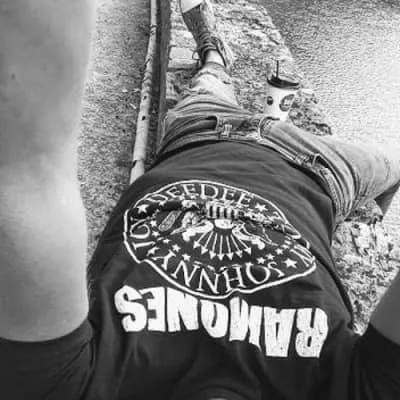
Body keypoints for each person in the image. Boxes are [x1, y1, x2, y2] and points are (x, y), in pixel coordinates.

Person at [1, 0, 400, 399]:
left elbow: (28, 179)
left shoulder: (70, 388)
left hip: (201, 133)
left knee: (209, 80)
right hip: (317, 168)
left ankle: (213, 52)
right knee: (393, 167)